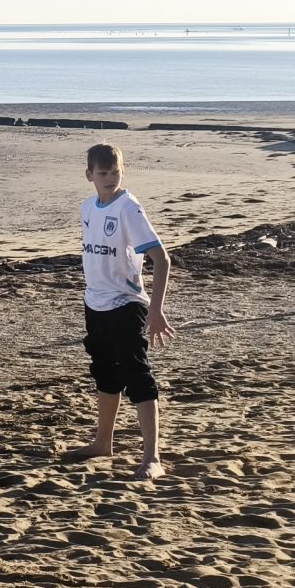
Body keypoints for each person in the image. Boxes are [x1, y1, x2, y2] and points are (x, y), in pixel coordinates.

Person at [69, 142, 175, 479]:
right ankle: (103, 442)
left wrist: (155, 311)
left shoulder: (129, 208)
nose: (111, 178)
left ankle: (152, 457)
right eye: (103, 173)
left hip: (126, 304)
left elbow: (162, 259)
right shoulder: (88, 207)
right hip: (95, 303)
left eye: (116, 172)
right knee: (105, 373)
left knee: (137, 376)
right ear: (90, 175)